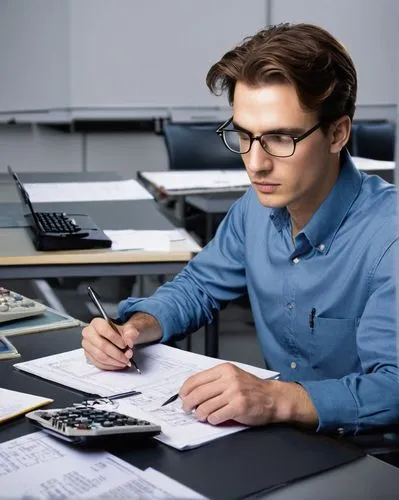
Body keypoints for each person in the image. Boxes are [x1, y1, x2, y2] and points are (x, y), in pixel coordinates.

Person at [82, 23, 399, 434]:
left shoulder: (388, 238)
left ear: (337, 133)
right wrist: (133, 329)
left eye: (280, 138)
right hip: (280, 442)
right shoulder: (255, 209)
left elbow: (393, 388)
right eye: (244, 136)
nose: (255, 163)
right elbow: (198, 287)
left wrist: (275, 399)